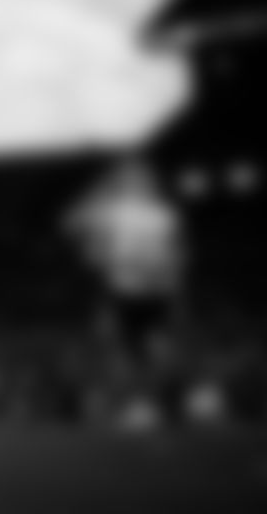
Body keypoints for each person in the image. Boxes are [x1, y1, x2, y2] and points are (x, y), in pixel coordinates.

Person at [67, 157, 184, 431]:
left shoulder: (121, 211)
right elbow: (174, 255)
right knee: (146, 348)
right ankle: (146, 405)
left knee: (129, 350)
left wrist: (101, 192)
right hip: (151, 288)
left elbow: (73, 221)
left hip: (131, 288)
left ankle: (142, 404)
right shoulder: (162, 214)